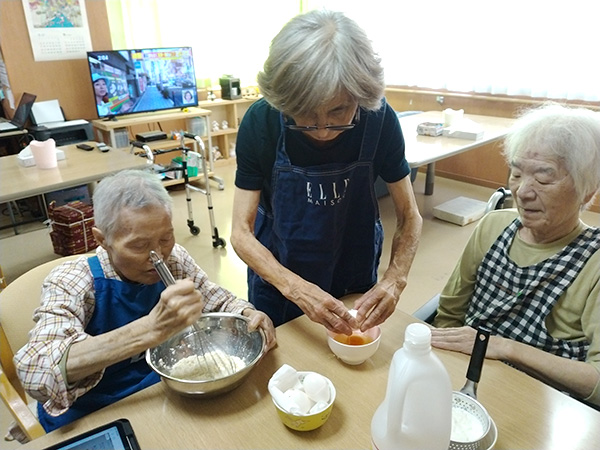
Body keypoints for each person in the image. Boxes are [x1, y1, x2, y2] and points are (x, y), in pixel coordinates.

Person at [14, 170, 276, 433]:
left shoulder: (174, 259)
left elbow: (214, 298)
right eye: (139, 246)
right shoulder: (73, 281)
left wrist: (246, 312)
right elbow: (36, 371)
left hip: (157, 398)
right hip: (93, 416)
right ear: (102, 240)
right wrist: (151, 329)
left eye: (165, 238)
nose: (158, 256)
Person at [231, 10, 422, 335]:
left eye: (338, 111)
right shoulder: (261, 122)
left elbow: (409, 215)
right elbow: (240, 232)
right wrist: (295, 288)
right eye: (303, 114)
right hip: (280, 271)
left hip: (353, 263)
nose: (321, 130)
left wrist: (395, 278)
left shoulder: (378, 118)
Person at [430, 103, 600, 408]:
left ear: (587, 191)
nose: (522, 191)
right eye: (517, 173)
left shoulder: (594, 261)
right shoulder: (494, 224)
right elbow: (450, 313)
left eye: (544, 179)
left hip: (542, 404)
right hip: (464, 385)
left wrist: (505, 348)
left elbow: (597, 383)